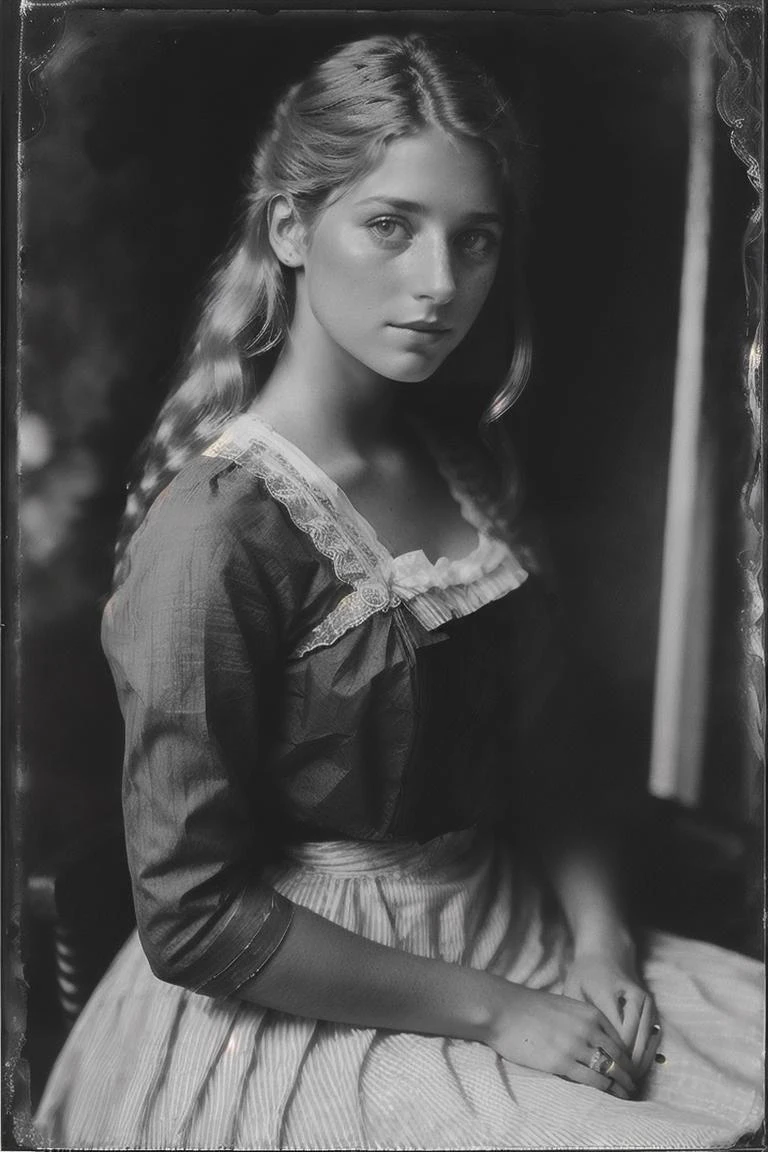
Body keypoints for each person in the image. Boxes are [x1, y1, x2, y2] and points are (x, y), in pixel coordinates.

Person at [35, 31, 763, 1150]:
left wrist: (601, 943)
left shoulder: (466, 463)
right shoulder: (218, 530)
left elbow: (553, 759)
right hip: (309, 990)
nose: (440, 284)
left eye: (475, 241)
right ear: (290, 227)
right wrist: (496, 1011)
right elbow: (194, 917)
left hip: (509, 918)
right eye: (391, 225)